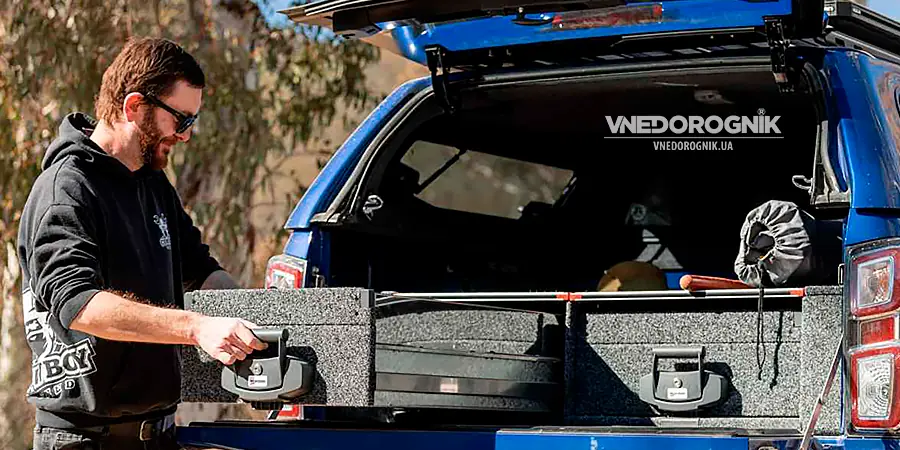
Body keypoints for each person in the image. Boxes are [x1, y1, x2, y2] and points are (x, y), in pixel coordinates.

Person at [17, 37, 267, 449]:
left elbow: (201, 270)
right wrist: (196, 328)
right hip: (83, 439)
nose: (186, 135)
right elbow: (77, 304)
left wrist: (266, 317)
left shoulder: (154, 185)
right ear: (134, 107)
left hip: (158, 433)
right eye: (181, 119)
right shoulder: (66, 188)